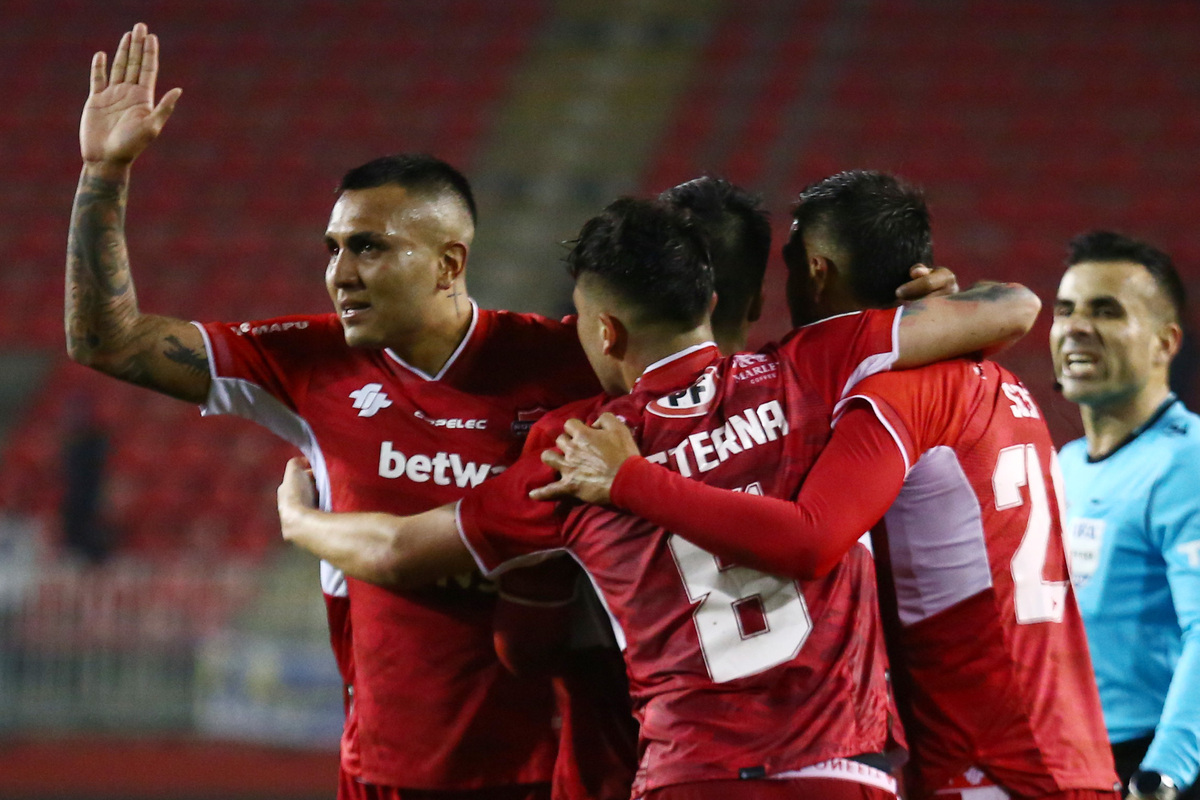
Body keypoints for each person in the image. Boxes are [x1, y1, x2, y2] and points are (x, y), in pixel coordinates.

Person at [276, 195, 1043, 799]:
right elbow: (1013, 307)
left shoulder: (576, 447)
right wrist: (930, 298)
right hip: (840, 769)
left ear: (605, 333)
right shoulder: (812, 368)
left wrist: (302, 522)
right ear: (709, 301)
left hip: (689, 771)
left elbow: (400, 552)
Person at [66, 24, 605, 800]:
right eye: (332, 249)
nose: (340, 274)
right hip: (379, 775)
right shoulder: (309, 361)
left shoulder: (567, 364)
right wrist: (103, 172)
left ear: (450, 262)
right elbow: (106, 342)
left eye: (369, 248)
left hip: (548, 775)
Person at [536, 172, 1121, 800]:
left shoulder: (876, 395)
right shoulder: (996, 376)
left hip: (984, 759)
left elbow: (812, 539)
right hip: (1070, 743)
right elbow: (1016, 303)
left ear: (815, 272)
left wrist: (629, 480)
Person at [1052, 231, 1200, 800]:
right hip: (1077, 762)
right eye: (1066, 310)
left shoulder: (1184, 464)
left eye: (1106, 311)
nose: (1076, 327)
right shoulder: (1062, 466)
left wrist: (1164, 774)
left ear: (1166, 343)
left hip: (1155, 766)